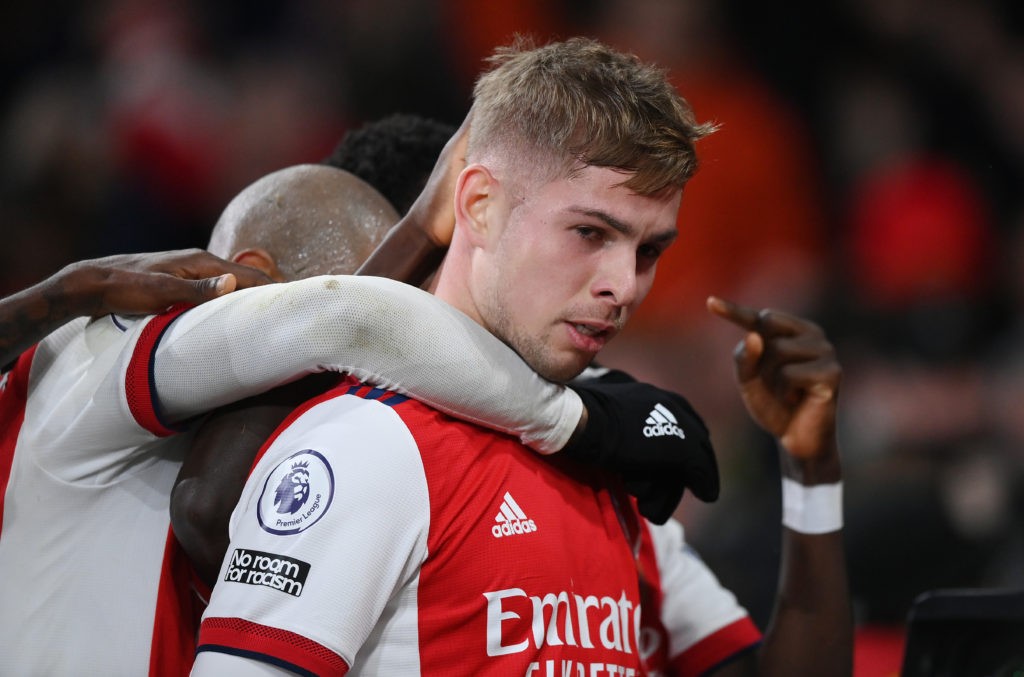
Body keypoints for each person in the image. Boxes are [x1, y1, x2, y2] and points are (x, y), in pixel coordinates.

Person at [193, 37, 852, 676]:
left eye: (648, 251)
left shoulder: (613, 465)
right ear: (478, 205)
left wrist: (811, 471)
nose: (624, 286)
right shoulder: (368, 447)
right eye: (589, 232)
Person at [0, 161, 589, 675]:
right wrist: (581, 421)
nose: (373, 377)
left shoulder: (224, 422)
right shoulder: (97, 352)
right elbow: (351, 321)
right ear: (248, 274)